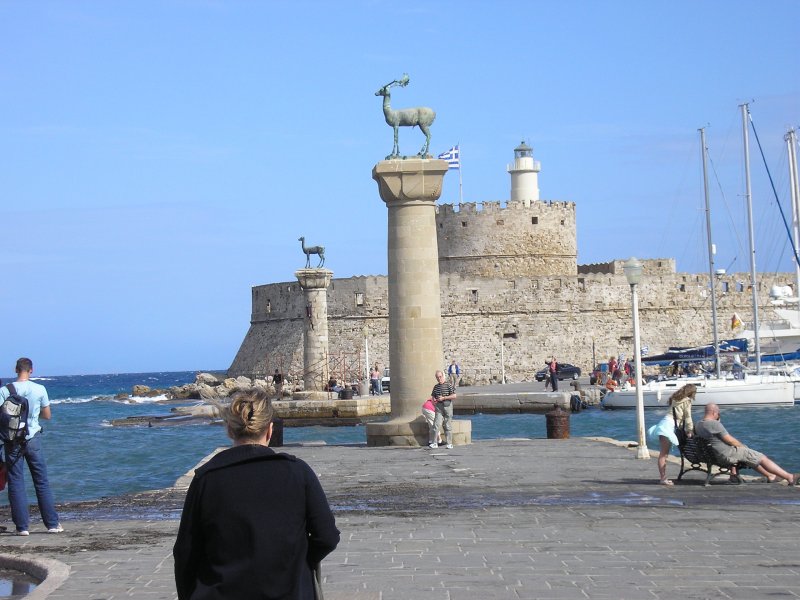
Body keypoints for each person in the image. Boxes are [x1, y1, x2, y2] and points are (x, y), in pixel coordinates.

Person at [174, 389, 340, 598]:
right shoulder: (298, 472)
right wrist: (295, 563)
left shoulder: (206, 479)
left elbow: (185, 552)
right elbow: (327, 537)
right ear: (270, 430)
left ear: (229, 430)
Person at [1, 357, 62, 535]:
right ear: (31, 370)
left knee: (16, 481)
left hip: (12, 440)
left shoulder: (5, 390)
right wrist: (33, 415)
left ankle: (22, 527)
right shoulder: (40, 389)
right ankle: (52, 524)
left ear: (16, 369)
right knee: (41, 481)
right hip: (33, 438)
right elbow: (47, 415)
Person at [694, 402, 799, 485]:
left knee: (750, 456)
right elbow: (730, 440)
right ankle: (789, 477)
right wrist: (743, 446)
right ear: (714, 413)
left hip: (714, 455)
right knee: (761, 457)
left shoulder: (698, 424)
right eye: (718, 413)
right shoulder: (714, 424)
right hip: (725, 455)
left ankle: (769, 476)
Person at [647, 383, 696, 486]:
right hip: (669, 426)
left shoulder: (675, 399)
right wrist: (690, 430)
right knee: (663, 455)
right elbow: (688, 417)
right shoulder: (687, 401)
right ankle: (663, 479)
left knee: (663, 454)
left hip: (664, 423)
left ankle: (663, 478)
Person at [428, 370, 456, 449]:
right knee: (436, 424)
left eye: (440, 377)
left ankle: (449, 443)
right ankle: (434, 443)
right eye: (437, 377)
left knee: (447, 425)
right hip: (439, 407)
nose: (439, 378)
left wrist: (444, 398)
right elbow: (433, 396)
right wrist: (433, 401)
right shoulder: (436, 387)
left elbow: (454, 396)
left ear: (443, 376)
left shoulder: (448, 385)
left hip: (447, 406)